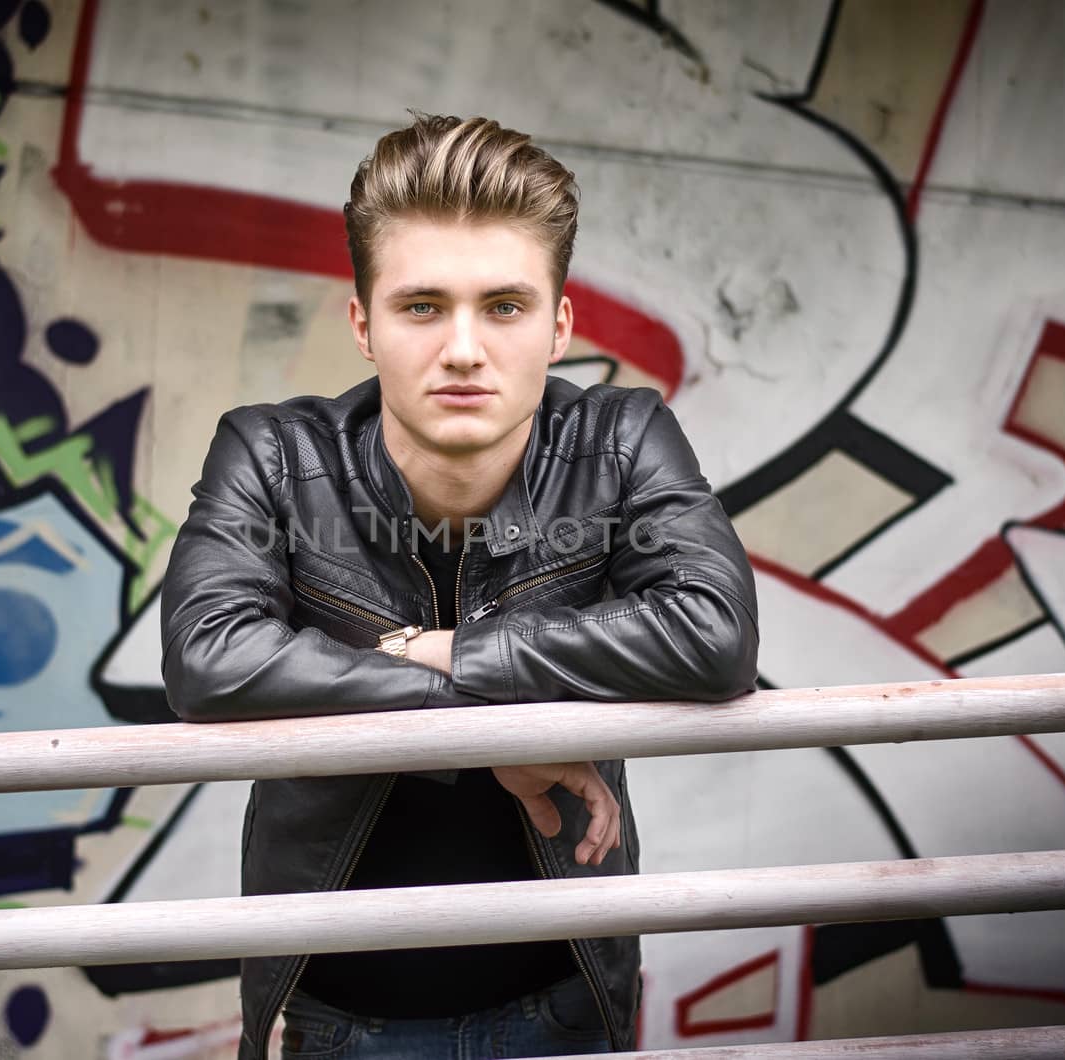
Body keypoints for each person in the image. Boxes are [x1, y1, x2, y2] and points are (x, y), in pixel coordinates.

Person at [161, 113, 759, 1060]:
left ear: (559, 326)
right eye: (423, 306)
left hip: (563, 1009)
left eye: (506, 307)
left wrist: (444, 651)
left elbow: (716, 635)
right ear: (364, 325)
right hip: (331, 1019)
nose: (466, 349)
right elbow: (209, 660)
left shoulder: (621, 439)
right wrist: (491, 735)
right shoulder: (273, 454)